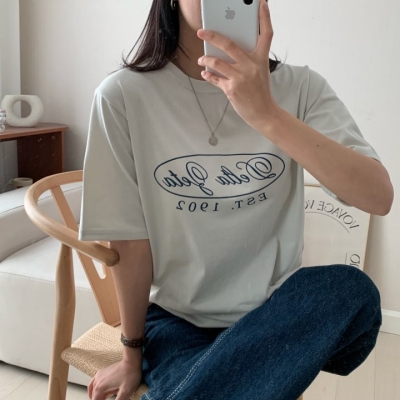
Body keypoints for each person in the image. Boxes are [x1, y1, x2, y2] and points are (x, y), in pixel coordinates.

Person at [78, 0, 394, 399]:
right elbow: (129, 243)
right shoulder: (123, 96)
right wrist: (130, 355)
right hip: (176, 321)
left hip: (278, 314)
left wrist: (266, 114)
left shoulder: (301, 88)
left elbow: (378, 196)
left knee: (352, 291)